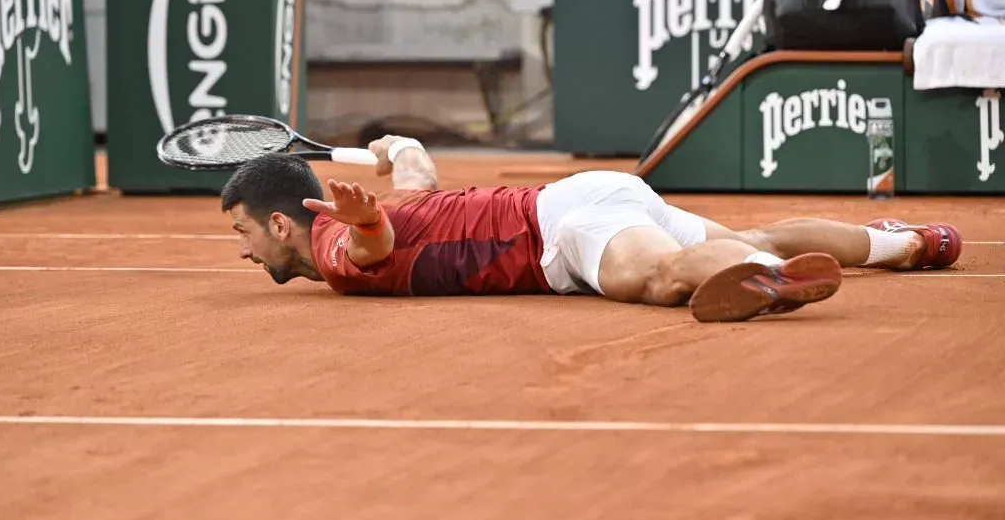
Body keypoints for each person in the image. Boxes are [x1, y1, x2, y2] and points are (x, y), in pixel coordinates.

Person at [219, 136, 962, 323]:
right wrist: (395, 148)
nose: (243, 250)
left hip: (564, 230)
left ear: (282, 221)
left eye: (244, 233)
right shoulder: (400, 204)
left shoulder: (331, 250)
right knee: (753, 231)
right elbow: (416, 177)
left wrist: (368, 218)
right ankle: (906, 242)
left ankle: (759, 276)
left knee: (664, 276)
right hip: (595, 192)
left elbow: (367, 248)